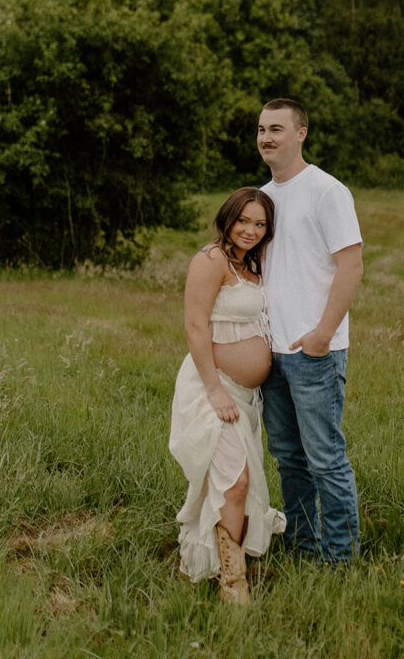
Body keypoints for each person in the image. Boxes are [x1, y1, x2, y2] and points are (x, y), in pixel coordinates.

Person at [257, 98, 363, 565]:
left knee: (324, 459)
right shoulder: (262, 197)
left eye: (277, 128)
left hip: (313, 351)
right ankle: (304, 547)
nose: (266, 137)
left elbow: (352, 264)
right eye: (261, 129)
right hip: (271, 353)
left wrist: (322, 333)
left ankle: (341, 559)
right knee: (288, 458)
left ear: (301, 133)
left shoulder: (326, 191)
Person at [169, 187, 285, 604]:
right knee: (234, 483)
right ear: (228, 217)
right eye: (244, 220)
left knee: (234, 483)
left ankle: (213, 566)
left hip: (245, 395)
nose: (251, 230)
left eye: (260, 224)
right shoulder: (211, 260)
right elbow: (195, 327)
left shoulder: (250, 265)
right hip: (211, 387)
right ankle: (233, 585)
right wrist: (215, 390)